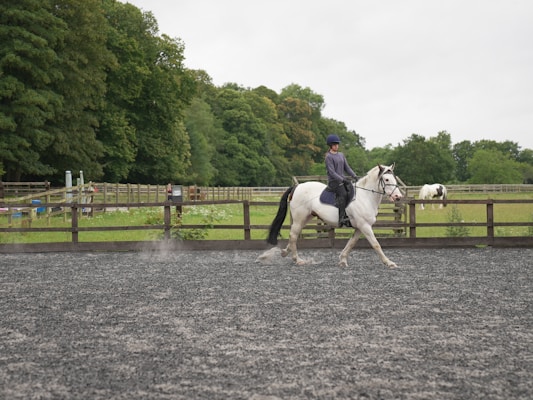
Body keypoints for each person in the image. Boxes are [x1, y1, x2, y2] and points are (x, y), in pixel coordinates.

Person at [325, 134, 359, 227]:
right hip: (334, 181)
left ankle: (351, 214)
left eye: (337, 144)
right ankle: (341, 218)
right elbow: (332, 172)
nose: (337, 146)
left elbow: (347, 168)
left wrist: (354, 176)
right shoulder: (328, 157)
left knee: (352, 191)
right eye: (335, 144)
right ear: (330, 145)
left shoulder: (341, 155)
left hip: (342, 180)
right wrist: (342, 180)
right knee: (343, 194)